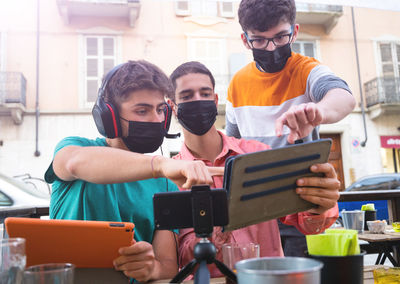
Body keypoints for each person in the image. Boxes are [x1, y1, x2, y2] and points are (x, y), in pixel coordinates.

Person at [44, 60, 221, 282]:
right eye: (142, 110)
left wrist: (151, 268)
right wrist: (161, 164)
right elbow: (74, 163)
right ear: (108, 117)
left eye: (159, 110)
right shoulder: (75, 147)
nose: (156, 119)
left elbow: (167, 266)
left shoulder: (165, 184)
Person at [167, 61, 340, 277]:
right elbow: (182, 255)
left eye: (205, 93)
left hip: (269, 279)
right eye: (186, 96)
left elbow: (308, 223)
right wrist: (214, 234)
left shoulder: (257, 155)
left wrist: (319, 203)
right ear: (172, 106)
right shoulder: (172, 177)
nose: (198, 101)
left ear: (215, 99)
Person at [226, 0, 356, 256]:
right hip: (255, 214)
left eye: (280, 37)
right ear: (245, 40)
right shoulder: (237, 84)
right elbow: (231, 146)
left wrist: (319, 111)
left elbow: (344, 97)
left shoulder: (307, 71)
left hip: (302, 212)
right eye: (260, 41)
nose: (272, 47)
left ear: (294, 32)